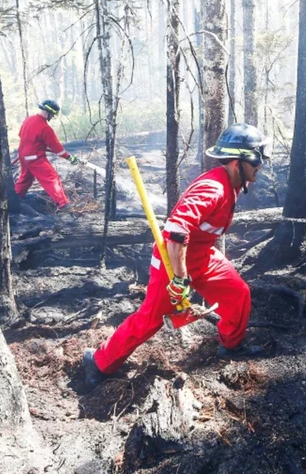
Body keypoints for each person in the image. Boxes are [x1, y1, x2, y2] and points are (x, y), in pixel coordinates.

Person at [83, 123, 270, 385]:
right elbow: (177, 230)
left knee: (238, 293)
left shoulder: (233, 182)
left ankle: (231, 345)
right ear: (238, 162)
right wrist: (180, 279)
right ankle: (99, 361)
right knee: (150, 320)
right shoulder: (213, 188)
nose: (260, 165)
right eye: (257, 158)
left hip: (202, 255)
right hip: (172, 261)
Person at [14, 99, 80, 209]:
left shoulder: (28, 120)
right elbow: (58, 149)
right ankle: (63, 203)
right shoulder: (45, 128)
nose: (52, 117)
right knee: (51, 178)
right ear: (48, 112)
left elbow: (21, 135)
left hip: (23, 155)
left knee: (26, 179)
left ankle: (15, 198)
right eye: (52, 114)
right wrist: (70, 157)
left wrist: (39, 146)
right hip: (34, 158)